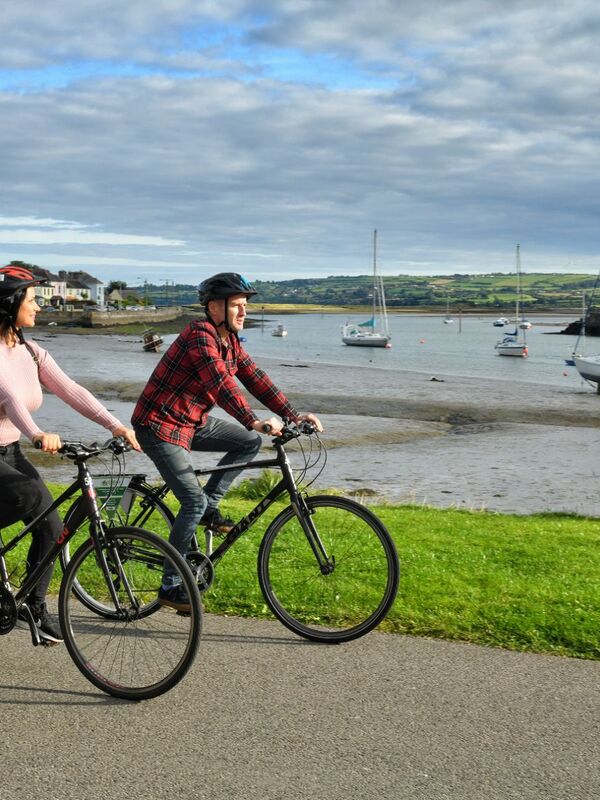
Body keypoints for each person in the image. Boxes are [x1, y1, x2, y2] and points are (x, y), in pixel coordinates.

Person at [132, 272, 323, 612]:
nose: (243, 312)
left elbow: (256, 379)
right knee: (191, 501)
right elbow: (221, 383)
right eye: (237, 305)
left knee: (248, 442)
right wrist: (253, 419)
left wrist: (294, 415)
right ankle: (170, 584)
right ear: (213, 307)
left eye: (245, 306)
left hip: (192, 423)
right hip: (159, 425)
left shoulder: (231, 341)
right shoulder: (199, 335)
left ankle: (209, 507)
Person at [0, 265, 140, 644]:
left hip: (9, 450)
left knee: (49, 524)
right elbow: (9, 398)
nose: (39, 308)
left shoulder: (30, 351)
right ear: (9, 304)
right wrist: (37, 434)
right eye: (32, 300)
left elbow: (72, 390)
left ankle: (32, 604)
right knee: (28, 497)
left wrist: (115, 425)